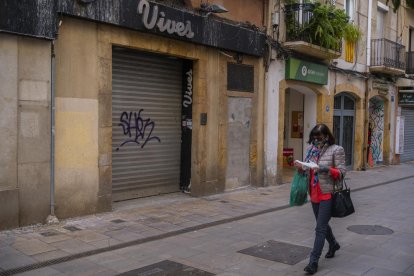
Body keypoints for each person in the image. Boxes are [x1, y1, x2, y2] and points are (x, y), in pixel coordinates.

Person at [294, 124, 346, 275]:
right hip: (314, 192)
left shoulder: (337, 149)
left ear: (327, 136)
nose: (316, 140)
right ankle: (334, 244)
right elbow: (306, 168)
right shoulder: (311, 149)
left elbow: (342, 172)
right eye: (314, 138)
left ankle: (313, 262)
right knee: (321, 224)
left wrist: (324, 169)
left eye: (319, 138)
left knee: (320, 228)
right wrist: (300, 166)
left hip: (328, 193)